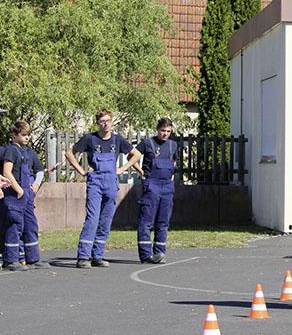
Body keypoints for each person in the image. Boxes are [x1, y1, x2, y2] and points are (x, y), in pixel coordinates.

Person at [65, 110, 141, 269]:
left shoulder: (117, 139)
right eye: (102, 121)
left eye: (108, 120)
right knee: (92, 219)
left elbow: (136, 154)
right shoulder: (89, 139)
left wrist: (123, 168)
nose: (106, 124)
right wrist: (80, 170)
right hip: (95, 182)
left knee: (106, 220)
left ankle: (97, 255)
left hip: (111, 183)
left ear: (111, 122)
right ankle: (83, 257)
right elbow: (69, 153)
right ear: (98, 123)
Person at [0, 121, 48, 271]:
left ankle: (33, 258)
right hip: (14, 194)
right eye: (23, 135)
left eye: (28, 135)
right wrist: (18, 189)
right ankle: (11, 260)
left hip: (27, 194)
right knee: (14, 225)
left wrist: (34, 186)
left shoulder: (29, 152)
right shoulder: (11, 150)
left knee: (30, 225)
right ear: (14, 135)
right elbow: (7, 172)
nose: (27, 138)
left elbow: (39, 170)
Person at [135, 118, 177, 264]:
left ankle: (160, 253)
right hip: (151, 185)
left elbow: (174, 162)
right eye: (162, 131)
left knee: (163, 221)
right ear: (157, 129)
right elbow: (131, 157)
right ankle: (146, 255)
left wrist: (171, 177)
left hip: (167, 186)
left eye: (168, 131)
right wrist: (141, 172)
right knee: (146, 221)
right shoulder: (148, 143)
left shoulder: (173, 145)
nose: (165, 134)